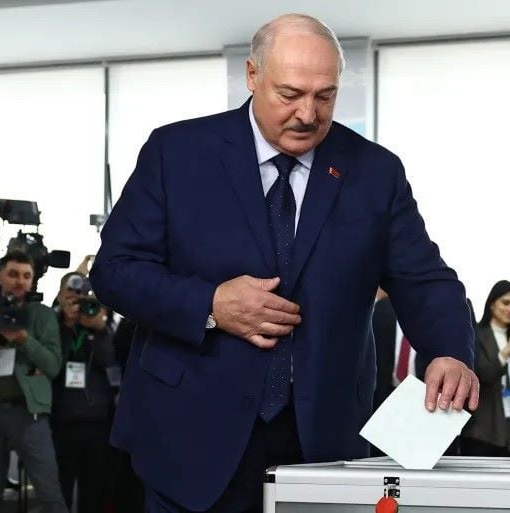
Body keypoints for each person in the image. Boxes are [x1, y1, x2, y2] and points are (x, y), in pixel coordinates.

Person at [90, 13, 478, 513]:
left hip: (322, 443)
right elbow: (116, 269)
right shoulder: (177, 153)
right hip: (189, 436)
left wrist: (448, 350)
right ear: (252, 76)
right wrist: (209, 303)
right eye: (290, 94)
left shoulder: (375, 172)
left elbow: (425, 279)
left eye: (325, 96)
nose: (308, 114)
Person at [0, 251, 68, 513]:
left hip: (30, 413)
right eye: (13, 274)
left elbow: (53, 365)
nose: (19, 282)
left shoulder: (42, 315)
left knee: (49, 492)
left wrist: (24, 338)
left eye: (26, 276)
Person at [51, 272, 117, 512]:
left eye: (83, 293)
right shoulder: (53, 323)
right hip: (61, 421)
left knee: (95, 492)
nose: (79, 299)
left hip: (97, 423)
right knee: (60, 490)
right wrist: (67, 325)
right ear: (60, 295)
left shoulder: (101, 320)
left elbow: (110, 362)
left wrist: (99, 329)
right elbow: (54, 366)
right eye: (72, 292)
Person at [460, 280, 510, 457]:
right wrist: (508, 349)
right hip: (482, 429)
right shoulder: (475, 334)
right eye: (506, 302)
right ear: (492, 304)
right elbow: (483, 374)